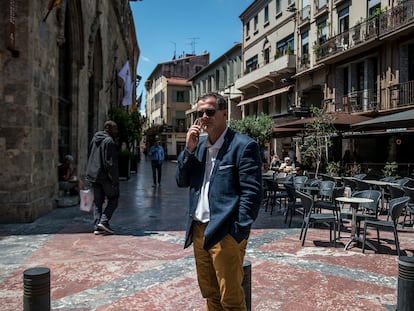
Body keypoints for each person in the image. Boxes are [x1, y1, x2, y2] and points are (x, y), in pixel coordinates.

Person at [176, 92, 262, 310]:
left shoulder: (243, 145)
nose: (204, 116)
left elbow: (252, 194)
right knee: (210, 294)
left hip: (225, 232)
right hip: (198, 230)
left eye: (210, 111)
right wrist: (188, 149)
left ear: (224, 113)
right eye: (200, 112)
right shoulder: (198, 148)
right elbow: (181, 180)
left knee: (231, 299)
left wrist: (237, 232)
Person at [86, 120, 119, 235]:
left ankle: (97, 226)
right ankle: (104, 221)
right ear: (109, 128)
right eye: (115, 128)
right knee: (114, 198)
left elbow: (89, 154)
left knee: (97, 202)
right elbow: (110, 163)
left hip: (94, 175)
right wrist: (114, 180)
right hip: (105, 177)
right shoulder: (109, 141)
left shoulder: (95, 138)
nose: (117, 131)